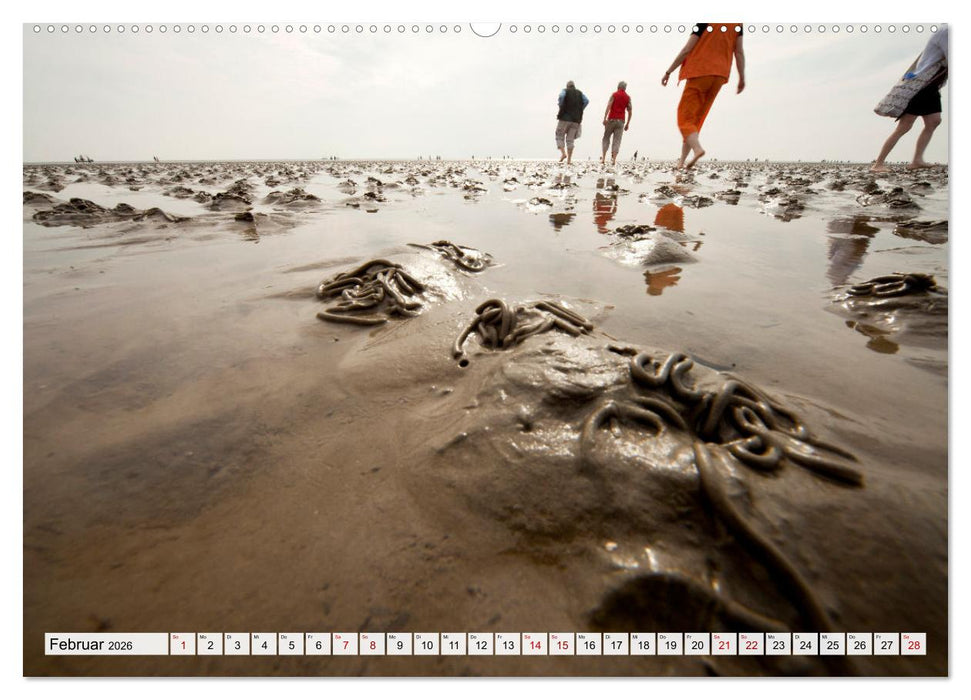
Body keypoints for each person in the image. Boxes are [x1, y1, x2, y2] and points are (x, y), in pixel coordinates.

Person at [662, 23, 745, 168]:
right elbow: (739, 52)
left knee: (684, 118)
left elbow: (686, 49)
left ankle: (697, 149)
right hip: (720, 75)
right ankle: (682, 161)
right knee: (696, 120)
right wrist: (742, 77)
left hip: (699, 71)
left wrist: (669, 71)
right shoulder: (737, 24)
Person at [871, 25, 948, 172]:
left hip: (931, 85)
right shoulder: (946, 32)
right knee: (905, 126)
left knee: (934, 121)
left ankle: (917, 160)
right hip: (921, 85)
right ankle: (878, 164)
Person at [555, 80, 589, 164]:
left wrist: (561, 105)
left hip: (564, 118)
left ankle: (563, 154)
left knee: (559, 135)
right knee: (570, 140)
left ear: (567, 86)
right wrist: (581, 109)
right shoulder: (580, 93)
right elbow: (586, 101)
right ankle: (569, 160)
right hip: (576, 120)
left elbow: (561, 96)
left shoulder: (565, 91)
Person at [601, 81, 633, 166]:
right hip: (621, 121)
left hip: (611, 119)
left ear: (618, 86)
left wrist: (604, 118)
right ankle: (614, 159)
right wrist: (628, 123)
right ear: (625, 88)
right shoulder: (628, 97)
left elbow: (609, 106)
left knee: (606, 138)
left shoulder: (614, 95)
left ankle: (603, 158)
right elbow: (630, 111)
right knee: (617, 140)